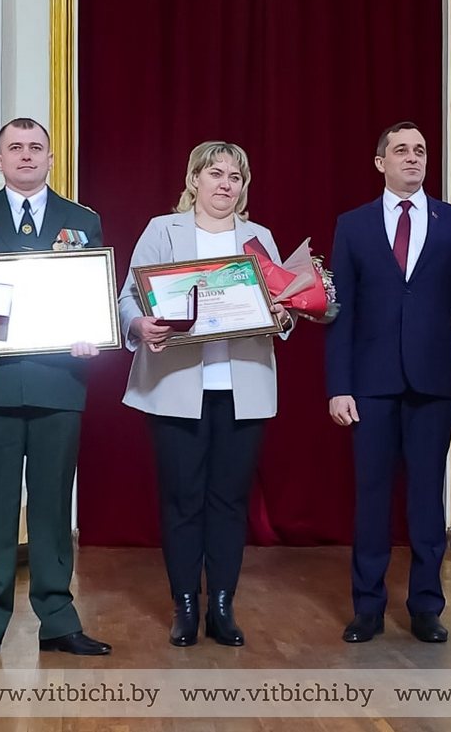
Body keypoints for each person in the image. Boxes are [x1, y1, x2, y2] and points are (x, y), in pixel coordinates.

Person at [0, 117, 110, 662]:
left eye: (36, 148)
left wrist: (92, 334)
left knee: (54, 507)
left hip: (59, 381)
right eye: (15, 148)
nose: (26, 156)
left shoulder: (82, 220)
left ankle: (58, 619)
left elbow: (93, 294)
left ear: (51, 158)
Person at [119, 141, 291, 648]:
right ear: (194, 179)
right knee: (182, 500)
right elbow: (131, 295)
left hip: (243, 388)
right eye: (215, 174)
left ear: (243, 187)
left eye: (235, 177)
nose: (224, 184)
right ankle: (185, 605)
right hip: (174, 388)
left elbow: (280, 303)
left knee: (229, 501)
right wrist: (139, 324)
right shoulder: (161, 230)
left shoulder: (258, 237)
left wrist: (283, 317)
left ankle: (221, 604)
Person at [326, 121, 451, 644]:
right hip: (369, 386)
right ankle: (367, 608)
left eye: (420, 151)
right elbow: (340, 315)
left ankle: (425, 608)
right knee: (371, 500)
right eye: (401, 150)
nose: (413, 158)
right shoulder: (351, 225)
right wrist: (338, 386)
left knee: (426, 500)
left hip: (434, 384)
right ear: (381, 162)